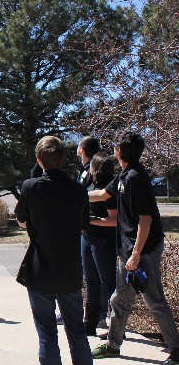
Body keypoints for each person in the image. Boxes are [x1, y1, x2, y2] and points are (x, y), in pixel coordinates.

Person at [89, 131, 179, 365]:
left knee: (154, 300)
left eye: (115, 146)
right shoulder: (123, 176)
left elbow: (146, 219)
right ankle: (113, 344)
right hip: (129, 250)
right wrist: (73, 195)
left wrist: (137, 254)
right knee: (119, 299)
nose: (113, 149)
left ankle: (177, 350)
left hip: (144, 249)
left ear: (119, 151)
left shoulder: (135, 179)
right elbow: (100, 194)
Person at [15, 136, 92, 365]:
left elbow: (21, 220)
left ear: (39, 160)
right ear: (62, 159)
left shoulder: (31, 187)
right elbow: (84, 224)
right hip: (70, 269)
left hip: (41, 269)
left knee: (47, 332)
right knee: (77, 331)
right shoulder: (79, 190)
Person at [82, 153, 117, 336]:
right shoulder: (92, 185)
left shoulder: (109, 190)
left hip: (103, 240)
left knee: (108, 282)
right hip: (87, 237)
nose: (89, 168)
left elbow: (114, 220)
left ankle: (115, 327)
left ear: (97, 168)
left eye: (92, 166)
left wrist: (92, 221)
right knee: (91, 281)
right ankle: (89, 322)